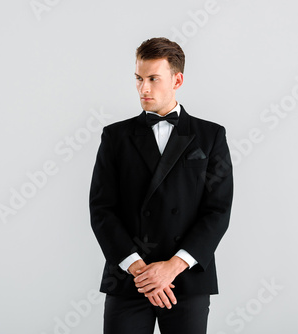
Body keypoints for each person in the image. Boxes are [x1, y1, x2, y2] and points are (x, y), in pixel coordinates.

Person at [89, 37, 234, 334]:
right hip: (130, 280)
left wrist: (172, 267)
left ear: (177, 79)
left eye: (153, 79)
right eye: (139, 79)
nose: (144, 88)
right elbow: (102, 209)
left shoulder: (211, 136)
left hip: (187, 278)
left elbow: (217, 211)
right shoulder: (115, 137)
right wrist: (140, 271)